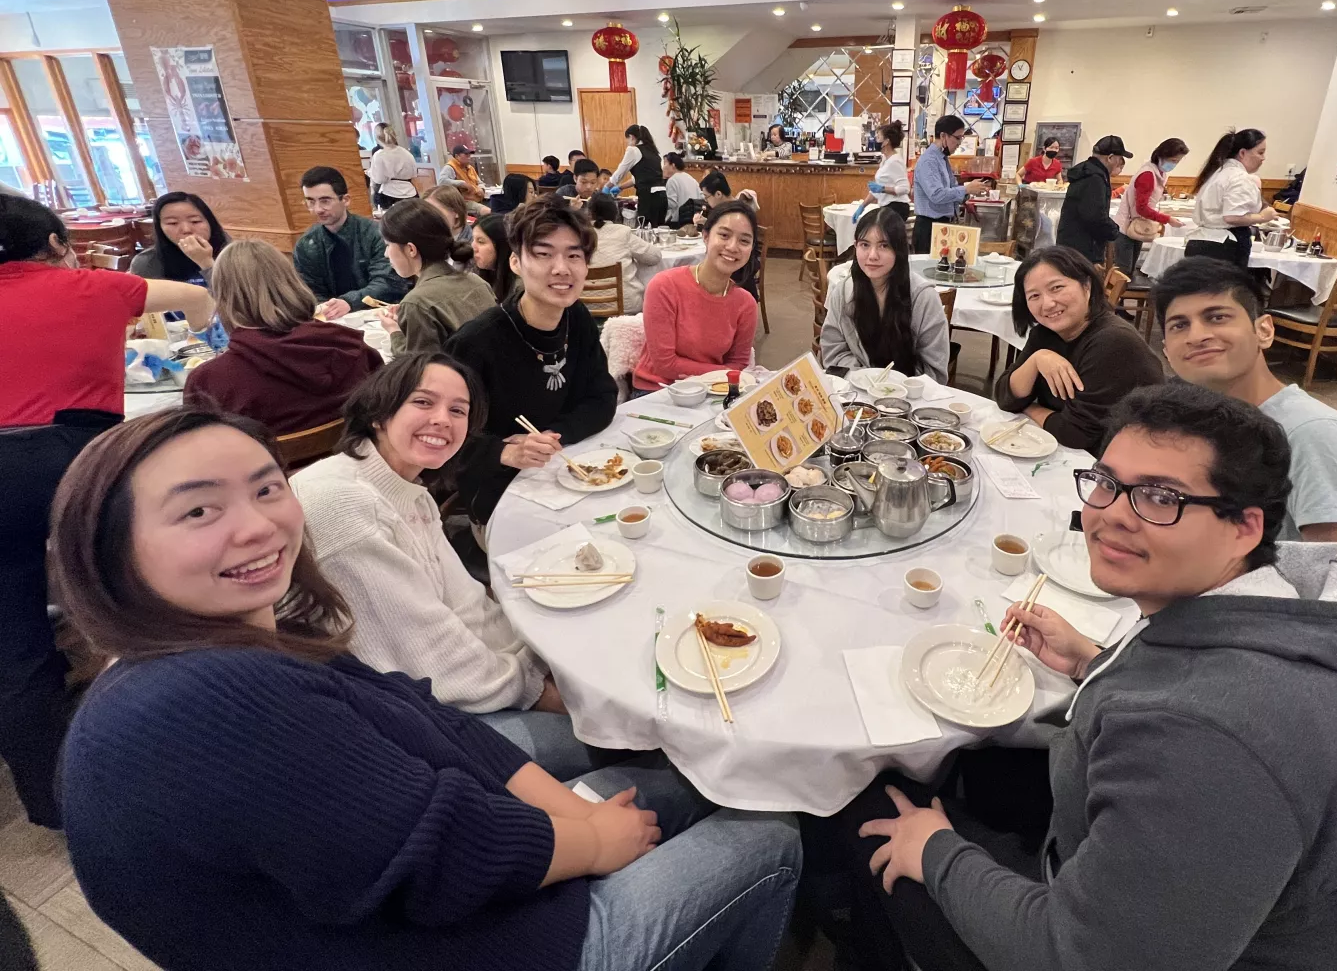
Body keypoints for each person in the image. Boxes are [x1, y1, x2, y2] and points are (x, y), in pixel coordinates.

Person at [50, 407, 802, 971]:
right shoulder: (201, 704)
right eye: (199, 510)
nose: (256, 527)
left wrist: (582, 821)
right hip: (474, 945)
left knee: (675, 782)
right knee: (769, 830)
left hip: (438, 891)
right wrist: (594, 841)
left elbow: (426, 719)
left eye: (266, 488)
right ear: (111, 549)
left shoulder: (234, 640)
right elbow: (445, 855)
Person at [838, 382, 1337, 971]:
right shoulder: (1254, 617)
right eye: (1106, 483)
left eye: (1160, 497)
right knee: (979, 761)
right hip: (1171, 915)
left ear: (1245, 528)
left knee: (856, 806)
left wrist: (937, 854)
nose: (1112, 515)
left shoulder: (1211, 740)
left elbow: (1075, 956)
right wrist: (1091, 662)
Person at [0, 196, 211, 829]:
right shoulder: (93, 286)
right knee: (138, 603)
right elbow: (196, 299)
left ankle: (53, 802)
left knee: (13, 646)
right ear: (56, 244)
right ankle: (186, 753)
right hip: (73, 458)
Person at [293, 353, 591, 767]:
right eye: (422, 402)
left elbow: (465, 603)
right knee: (606, 738)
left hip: (435, 683)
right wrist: (536, 690)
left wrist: (537, 660)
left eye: (458, 410)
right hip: (387, 724)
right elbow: (423, 654)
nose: (442, 420)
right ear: (379, 413)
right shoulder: (343, 503)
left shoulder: (408, 492)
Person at [1153, 254, 1337, 650]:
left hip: (1276, 646)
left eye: (1217, 317)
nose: (1197, 335)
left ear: (1264, 330)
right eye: (1180, 325)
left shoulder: (1313, 437)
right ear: (1167, 350)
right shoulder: (1213, 426)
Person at [446, 201, 618, 524]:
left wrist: (553, 436)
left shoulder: (576, 317)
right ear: (515, 261)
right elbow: (442, 437)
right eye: (543, 254)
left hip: (568, 468)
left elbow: (603, 397)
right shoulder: (476, 342)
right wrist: (506, 452)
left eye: (574, 256)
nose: (561, 268)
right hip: (499, 491)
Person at [184, 239, 381, 435]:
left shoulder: (208, 382)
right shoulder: (351, 346)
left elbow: (200, 445)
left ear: (224, 299)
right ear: (293, 282)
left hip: (272, 456)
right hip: (354, 451)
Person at [995, 245, 1163, 454]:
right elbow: (1004, 395)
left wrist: (1029, 407)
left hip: (1126, 460)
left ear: (1087, 286)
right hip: (1071, 452)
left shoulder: (1113, 342)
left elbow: (1074, 433)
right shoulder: (1046, 334)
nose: (1047, 304)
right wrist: (1037, 359)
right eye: (1034, 296)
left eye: (1056, 288)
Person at [632, 200, 759, 393]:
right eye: (724, 235)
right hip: (658, 389)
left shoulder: (745, 304)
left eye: (744, 241)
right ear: (706, 236)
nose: (733, 247)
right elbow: (665, 364)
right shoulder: (664, 286)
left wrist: (716, 376)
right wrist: (722, 372)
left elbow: (738, 364)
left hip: (714, 390)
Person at [821, 206, 949, 384]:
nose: (872, 256)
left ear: (900, 250)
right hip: (858, 389)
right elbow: (832, 351)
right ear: (855, 246)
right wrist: (866, 378)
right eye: (865, 245)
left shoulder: (923, 298)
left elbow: (935, 371)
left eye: (884, 245)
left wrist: (893, 385)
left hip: (909, 394)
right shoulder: (844, 292)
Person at [378, 200, 496, 355]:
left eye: (388, 245)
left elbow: (420, 365)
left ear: (411, 249)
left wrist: (394, 332)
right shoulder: (477, 282)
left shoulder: (417, 303)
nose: (386, 254)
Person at [294, 166, 406, 320]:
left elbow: (387, 283)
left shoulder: (376, 234)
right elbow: (310, 291)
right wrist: (327, 308)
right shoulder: (306, 244)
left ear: (345, 200)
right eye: (311, 202)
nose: (318, 209)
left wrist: (349, 302)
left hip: (380, 313)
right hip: (333, 318)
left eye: (325, 201)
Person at [1186, 128, 1276, 268]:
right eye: (1260, 152)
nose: (1263, 158)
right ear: (1242, 153)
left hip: (1202, 241)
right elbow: (1232, 217)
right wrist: (1263, 217)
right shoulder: (1239, 177)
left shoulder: (1218, 173)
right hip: (1223, 247)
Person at [1113, 137, 1187, 274]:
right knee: (1123, 272)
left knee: (1129, 270)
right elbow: (1142, 208)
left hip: (1137, 224)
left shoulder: (1158, 173)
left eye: (1177, 161)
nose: (1174, 164)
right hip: (1127, 225)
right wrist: (1167, 219)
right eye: (1173, 160)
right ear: (1161, 155)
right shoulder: (1147, 175)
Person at [1056, 134, 1131, 264]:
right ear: (1110, 158)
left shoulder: (1087, 171)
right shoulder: (1094, 178)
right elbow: (1094, 216)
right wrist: (1113, 230)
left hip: (1071, 243)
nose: (1120, 162)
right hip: (1082, 249)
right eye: (1119, 158)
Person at [912, 116, 980, 254]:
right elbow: (937, 195)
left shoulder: (942, 158)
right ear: (943, 135)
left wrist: (967, 193)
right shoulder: (929, 161)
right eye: (957, 138)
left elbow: (951, 188)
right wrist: (966, 189)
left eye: (962, 138)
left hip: (943, 225)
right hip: (929, 228)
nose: (959, 143)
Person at [131, 191, 229, 285]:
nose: (186, 230)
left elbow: (232, 294)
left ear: (210, 223)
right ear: (160, 228)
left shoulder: (231, 253)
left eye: (195, 221)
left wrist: (206, 263)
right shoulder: (147, 262)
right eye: (173, 223)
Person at [589, 192, 660, 314]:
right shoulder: (623, 232)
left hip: (586, 305)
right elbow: (654, 257)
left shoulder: (579, 234)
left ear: (589, 213)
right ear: (616, 213)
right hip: (626, 305)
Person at [608, 124, 667, 226]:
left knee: (645, 228)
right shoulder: (654, 152)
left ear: (631, 137)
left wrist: (607, 187)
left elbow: (620, 172)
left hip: (648, 196)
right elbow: (640, 177)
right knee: (658, 228)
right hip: (661, 196)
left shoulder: (633, 150)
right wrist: (620, 187)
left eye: (627, 140)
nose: (628, 143)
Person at [367, 123, 423, 211]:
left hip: (389, 194)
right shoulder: (407, 153)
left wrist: (370, 173)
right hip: (410, 192)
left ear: (377, 138)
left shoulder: (379, 155)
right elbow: (414, 174)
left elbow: (379, 179)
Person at [863, 120, 910, 220]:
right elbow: (876, 191)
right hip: (886, 207)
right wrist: (862, 206)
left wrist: (883, 189)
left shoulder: (895, 161)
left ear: (886, 141)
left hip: (896, 208)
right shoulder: (885, 159)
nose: (875, 140)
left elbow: (905, 188)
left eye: (878, 137)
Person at [470, 212, 518, 303]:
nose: (473, 247)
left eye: (481, 242)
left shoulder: (519, 288)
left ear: (502, 246)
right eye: (473, 240)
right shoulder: (475, 273)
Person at [664, 151, 702, 223]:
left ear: (673, 165)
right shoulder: (691, 179)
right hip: (694, 219)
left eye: (665, 163)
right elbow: (701, 197)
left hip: (678, 221)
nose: (663, 167)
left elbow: (672, 203)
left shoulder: (672, 180)